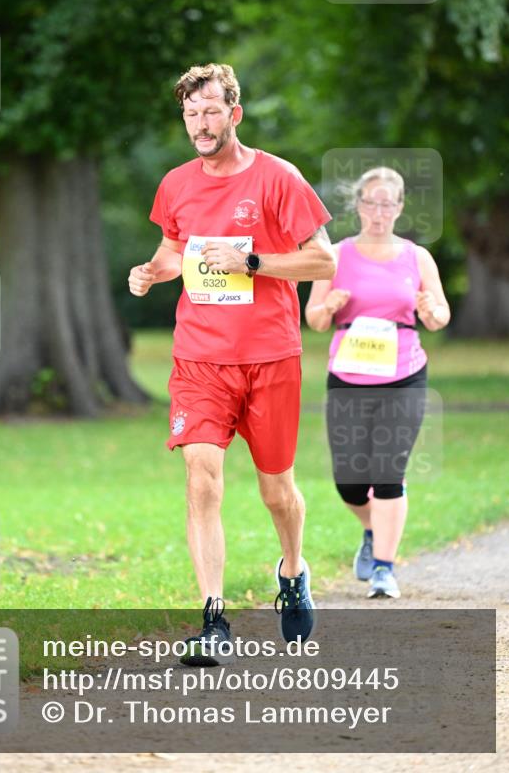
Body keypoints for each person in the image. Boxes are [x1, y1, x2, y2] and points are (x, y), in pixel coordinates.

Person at [128, 63, 335, 663]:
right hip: (200, 358)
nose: (201, 123)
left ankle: (292, 571)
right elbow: (173, 251)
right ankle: (213, 618)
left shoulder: (278, 178)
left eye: (212, 111)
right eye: (191, 113)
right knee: (201, 477)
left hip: (270, 357)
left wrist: (253, 263)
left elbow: (323, 262)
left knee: (277, 492)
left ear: (234, 114)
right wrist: (152, 272)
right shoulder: (176, 184)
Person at [305, 166, 450, 599]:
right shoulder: (335, 256)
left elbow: (440, 314)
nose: (379, 211)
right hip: (348, 377)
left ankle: (385, 567)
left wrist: (431, 312)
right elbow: (313, 319)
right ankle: (373, 530)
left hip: (404, 375)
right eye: (371, 202)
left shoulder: (416, 257)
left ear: (399, 208)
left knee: (388, 471)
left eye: (387, 204)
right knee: (349, 480)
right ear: (358, 206)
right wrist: (328, 307)